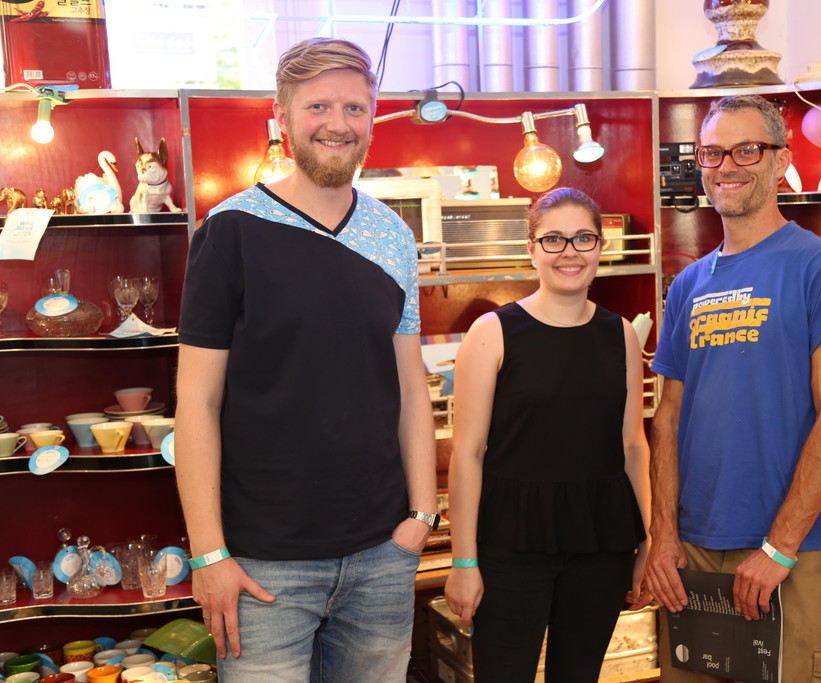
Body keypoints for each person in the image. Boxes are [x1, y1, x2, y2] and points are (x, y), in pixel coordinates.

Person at [174, 37, 437, 682]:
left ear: (372, 119)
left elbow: (411, 387)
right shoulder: (230, 230)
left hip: (381, 556)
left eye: (355, 108)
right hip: (262, 565)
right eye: (318, 106)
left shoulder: (391, 234)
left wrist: (421, 516)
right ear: (282, 116)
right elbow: (197, 402)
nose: (337, 124)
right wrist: (208, 554)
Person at [644, 95, 821, 682]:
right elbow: (668, 418)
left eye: (747, 150)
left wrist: (778, 547)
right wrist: (663, 533)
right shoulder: (688, 285)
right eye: (713, 152)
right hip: (692, 555)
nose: (727, 166)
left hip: (786, 556)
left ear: (780, 161)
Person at [444, 187, 652, 682]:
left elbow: (632, 445)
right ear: (532, 248)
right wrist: (463, 561)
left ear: (600, 246)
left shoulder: (621, 333)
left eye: (583, 238)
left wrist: (646, 542)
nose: (569, 253)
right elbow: (467, 453)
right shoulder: (492, 331)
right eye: (553, 239)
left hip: (601, 541)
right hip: (510, 541)